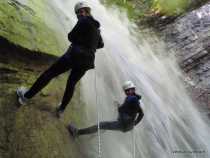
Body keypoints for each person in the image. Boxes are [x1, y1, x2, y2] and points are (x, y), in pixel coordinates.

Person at [16, 1, 104, 117]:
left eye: (81, 12)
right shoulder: (97, 29)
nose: (80, 14)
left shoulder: (83, 20)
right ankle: (61, 110)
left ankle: (26, 96)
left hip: (74, 55)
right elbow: (100, 45)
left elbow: (70, 36)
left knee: (50, 73)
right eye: (79, 13)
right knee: (71, 84)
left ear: (86, 12)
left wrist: (80, 40)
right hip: (87, 62)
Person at [67, 81, 144, 137]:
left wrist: (119, 106)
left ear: (133, 89)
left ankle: (77, 132)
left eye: (128, 90)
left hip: (123, 124)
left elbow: (122, 109)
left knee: (101, 125)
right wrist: (134, 124)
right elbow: (141, 113)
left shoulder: (132, 98)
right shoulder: (136, 99)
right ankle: (91, 136)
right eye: (126, 91)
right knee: (105, 126)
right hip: (127, 125)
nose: (127, 92)